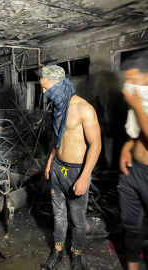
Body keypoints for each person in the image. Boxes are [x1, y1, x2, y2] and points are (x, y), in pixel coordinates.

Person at [38, 65, 101, 270]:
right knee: (58, 215)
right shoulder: (58, 105)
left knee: (77, 218)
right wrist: (50, 161)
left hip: (76, 172)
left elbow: (96, 145)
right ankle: (57, 252)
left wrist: (84, 178)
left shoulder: (84, 109)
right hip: (58, 168)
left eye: (46, 88)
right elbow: (58, 137)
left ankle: (76, 255)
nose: (44, 92)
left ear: (59, 84)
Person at [119, 51, 148, 270]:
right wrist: (128, 147)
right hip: (133, 170)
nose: (127, 85)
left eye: (132, 79)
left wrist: (136, 105)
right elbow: (137, 130)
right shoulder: (141, 100)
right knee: (131, 226)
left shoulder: (140, 102)